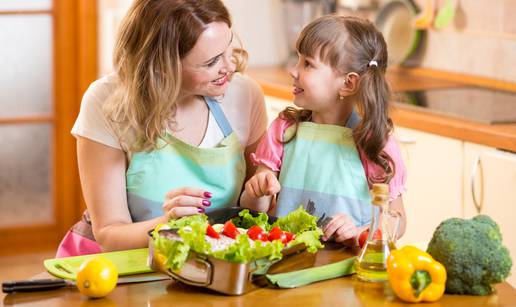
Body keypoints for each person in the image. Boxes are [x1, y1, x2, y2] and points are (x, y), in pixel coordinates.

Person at [56, 0, 267, 257]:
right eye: (212, 62)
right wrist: (167, 225)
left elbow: (255, 205)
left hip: (213, 262)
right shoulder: (106, 102)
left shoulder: (244, 94)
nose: (230, 66)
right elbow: (109, 233)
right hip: (125, 262)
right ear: (162, 67)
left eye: (229, 48)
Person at [240, 15, 407, 246]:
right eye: (298, 60)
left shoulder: (373, 141)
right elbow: (254, 210)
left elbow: (396, 221)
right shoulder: (284, 130)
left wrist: (361, 232)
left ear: (348, 84)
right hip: (285, 262)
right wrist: (257, 192)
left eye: (307, 64)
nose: (293, 70)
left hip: (347, 268)